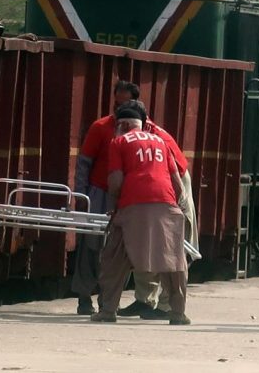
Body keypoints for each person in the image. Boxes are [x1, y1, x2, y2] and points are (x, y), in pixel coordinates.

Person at [91, 101, 191, 325]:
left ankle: (108, 310)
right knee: (173, 261)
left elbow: (116, 182)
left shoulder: (118, 142)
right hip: (166, 205)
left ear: (124, 125)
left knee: (114, 258)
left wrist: (115, 207)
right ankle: (178, 313)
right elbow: (177, 183)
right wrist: (177, 207)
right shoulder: (161, 142)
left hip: (132, 205)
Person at [117, 120, 198, 320]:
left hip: (172, 184)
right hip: (160, 185)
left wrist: (177, 207)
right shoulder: (139, 134)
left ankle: (167, 305)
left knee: (170, 249)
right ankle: (145, 299)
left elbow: (175, 176)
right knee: (146, 244)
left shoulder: (152, 138)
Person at [71, 80, 139, 315]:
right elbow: (84, 162)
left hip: (127, 196)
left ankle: (108, 299)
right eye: (117, 103)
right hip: (99, 194)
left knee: (118, 249)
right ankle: (83, 298)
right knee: (90, 247)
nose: (119, 108)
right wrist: (82, 194)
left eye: (125, 103)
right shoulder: (100, 127)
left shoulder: (141, 131)